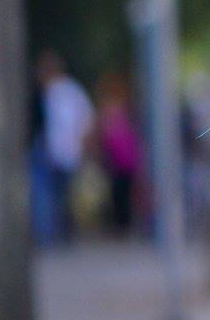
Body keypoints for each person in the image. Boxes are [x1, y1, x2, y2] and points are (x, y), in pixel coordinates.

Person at [35, 50, 94, 245]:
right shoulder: (56, 93)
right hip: (56, 154)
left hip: (64, 154)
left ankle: (58, 235)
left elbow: (85, 121)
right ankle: (56, 235)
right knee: (56, 197)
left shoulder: (66, 92)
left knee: (59, 197)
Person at [94, 71, 144, 236]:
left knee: (121, 194)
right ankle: (123, 225)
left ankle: (123, 226)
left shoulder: (114, 112)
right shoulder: (120, 111)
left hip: (121, 161)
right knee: (120, 194)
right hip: (121, 161)